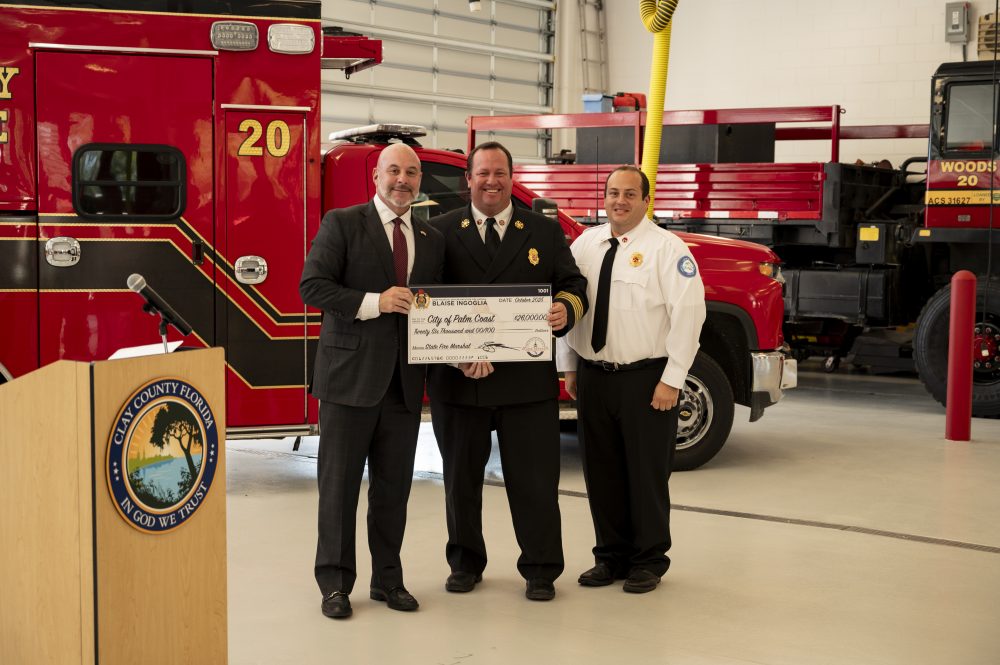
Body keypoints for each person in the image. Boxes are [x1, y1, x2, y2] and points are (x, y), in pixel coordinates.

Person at [427, 141, 588, 601]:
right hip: (459, 380)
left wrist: (565, 308)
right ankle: (464, 562)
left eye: (500, 173)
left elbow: (573, 284)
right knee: (460, 481)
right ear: (468, 180)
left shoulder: (542, 230)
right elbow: (427, 299)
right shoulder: (437, 231)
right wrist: (455, 353)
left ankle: (540, 568)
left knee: (535, 482)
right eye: (482, 173)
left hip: (526, 385)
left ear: (512, 178)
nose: (491, 181)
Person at [300, 143, 445, 619]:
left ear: (419, 180)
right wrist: (374, 302)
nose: (403, 180)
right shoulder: (342, 223)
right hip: (348, 382)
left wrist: (469, 350)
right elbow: (312, 286)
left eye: (412, 172)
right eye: (394, 171)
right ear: (376, 177)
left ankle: (388, 580)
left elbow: (442, 309)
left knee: (392, 491)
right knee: (338, 489)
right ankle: (335, 585)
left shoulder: (430, 235)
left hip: (404, 386)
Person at [557, 165, 706, 594]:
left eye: (629, 194)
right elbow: (569, 307)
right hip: (594, 377)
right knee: (601, 473)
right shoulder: (585, 244)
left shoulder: (667, 249)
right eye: (612, 192)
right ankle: (610, 556)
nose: (619, 201)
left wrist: (673, 380)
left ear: (646, 200)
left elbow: (689, 317)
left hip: (647, 381)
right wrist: (569, 366)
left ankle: (648, 560)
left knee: (645, 473)